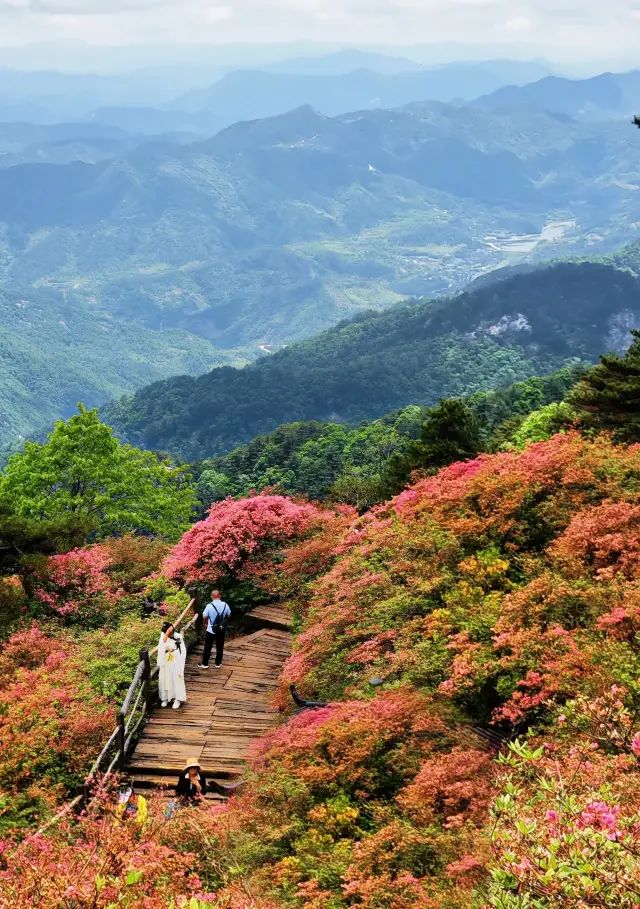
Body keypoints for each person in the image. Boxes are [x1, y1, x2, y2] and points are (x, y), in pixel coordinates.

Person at [157, 621, 187, 709]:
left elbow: (183, 650)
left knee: (176, 678)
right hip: (166, 661)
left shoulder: (178, 637)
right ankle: (165, 698)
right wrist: (166, 633)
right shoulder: (163, 636)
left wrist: (179, 660)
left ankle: (177, 699)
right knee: (165, 678)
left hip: (175, 660)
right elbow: (161, 646)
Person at [198, 590, 231, 669]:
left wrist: (206, 623)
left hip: (211, 629)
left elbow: (204, 616)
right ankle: (218, 663)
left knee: (208, 646)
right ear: (220, 596)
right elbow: (229, 615)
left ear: (212, 597)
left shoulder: (209, 606)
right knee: (220, 646)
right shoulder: (225, 605)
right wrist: (223, 621)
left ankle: (205, 664)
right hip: (221, 629)